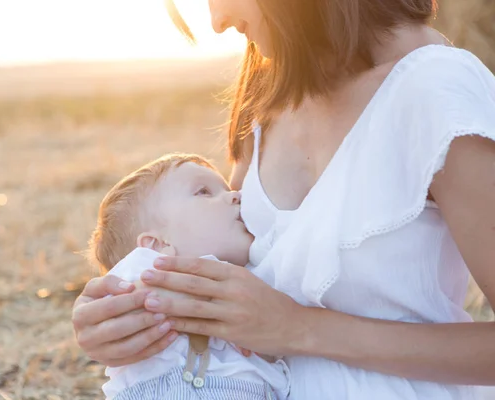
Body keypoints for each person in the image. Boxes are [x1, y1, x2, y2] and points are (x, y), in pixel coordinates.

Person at [72, 1, 495, 399]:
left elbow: (273, 318)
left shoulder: (438, 92)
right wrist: (122, 316)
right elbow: (239, 266)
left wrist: (301, 329)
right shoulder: (270, 90)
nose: (218, 20)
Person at [89, 153, 290, 399]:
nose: (235, 195)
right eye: (204, 192)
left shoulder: (253, 278)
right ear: (155, 244)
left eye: (225, 189)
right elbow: (123, 307)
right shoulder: (147, 268)